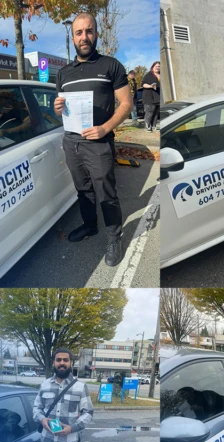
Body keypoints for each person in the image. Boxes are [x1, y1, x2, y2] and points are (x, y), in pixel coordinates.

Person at [53, 12, 131, 267]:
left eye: (89, 31)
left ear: (96, 34)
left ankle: (114, 237)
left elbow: (127, 104)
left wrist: (105, 128)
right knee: (83, 190)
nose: (84, 37)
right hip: (72, 142)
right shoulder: (63, 73)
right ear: (72, 36)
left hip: (98, 143)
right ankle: (90, 227)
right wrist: (57, 108)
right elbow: (62, 108)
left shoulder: (111, 65)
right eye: (78, 32)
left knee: (106, 193)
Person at [141, 62, 160, 131]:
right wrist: (150, 86)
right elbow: (143, 84)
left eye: (159, 66)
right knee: (149, 113)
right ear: (153, 67)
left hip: (158, 97)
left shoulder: (161, 75)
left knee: (156, 113)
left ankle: (154, 126)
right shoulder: (148, 75)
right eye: (156, 66)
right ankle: (147, 127)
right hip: (149, 97)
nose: (158, 67)